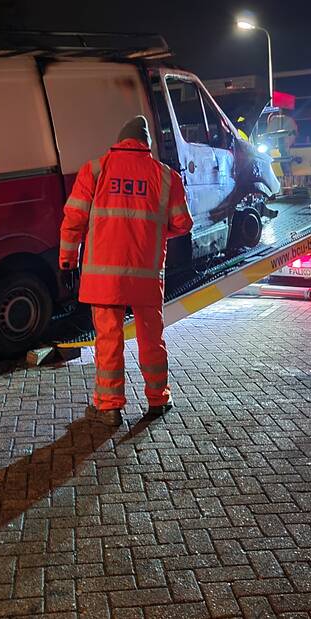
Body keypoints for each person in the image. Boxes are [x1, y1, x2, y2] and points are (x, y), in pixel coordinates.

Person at [60, 116, 194, 426]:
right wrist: (153, 231)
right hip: (146, 275)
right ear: (146, 145)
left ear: (119, 141)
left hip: (104, 276)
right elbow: (183, 224)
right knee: (152, 337)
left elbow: (74, 220)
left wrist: (68, 260)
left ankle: (109, 407)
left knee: (108, 338)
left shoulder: (95, 169)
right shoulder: (165, 176)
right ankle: (159, 400)